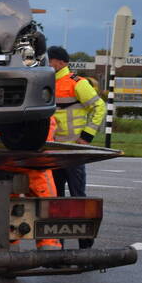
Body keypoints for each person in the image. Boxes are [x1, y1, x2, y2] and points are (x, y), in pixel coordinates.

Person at [47, 46, 106, 248]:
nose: (48, 64)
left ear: (60, 62)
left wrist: (87, 136)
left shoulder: (77, 83)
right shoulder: (46, 83)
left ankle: (85, 245)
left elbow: (99, 107)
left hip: (72, 151)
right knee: (56, 201)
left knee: (77, 198)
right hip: (54, 151)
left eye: (51, 60)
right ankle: (58, 245)